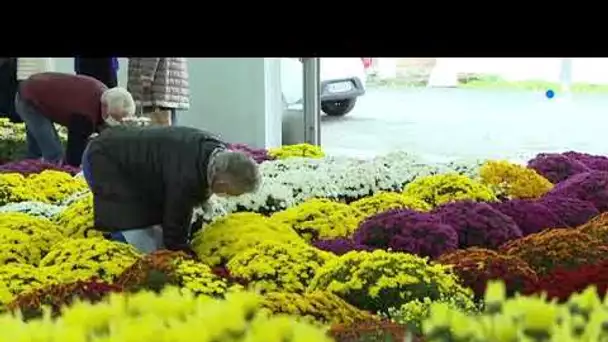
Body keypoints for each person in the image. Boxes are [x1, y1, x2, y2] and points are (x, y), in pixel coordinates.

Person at [81, 126, 260, 253]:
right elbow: (176, 220)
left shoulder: (213, 151)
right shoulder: (187, 175)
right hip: (104, 158)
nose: (226, 197)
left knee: (153, 231)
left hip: (121, 152)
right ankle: (112, 257)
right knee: (133, 231)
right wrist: (182, 254)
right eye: (230, 194)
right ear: (222, 185)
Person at [16, 72, 136, 166]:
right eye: (112, 117)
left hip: (39, 91)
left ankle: (25, 175)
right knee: (54, 154)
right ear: (105, 107)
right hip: (29, 98)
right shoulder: (84, 115)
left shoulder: (106, 94)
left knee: (35, 152)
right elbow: (74, 155)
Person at [127, 58, 189, 126]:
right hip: (164, 80)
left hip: (156, 82)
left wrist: (146, 76)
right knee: (167, 122)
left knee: (155, 125)